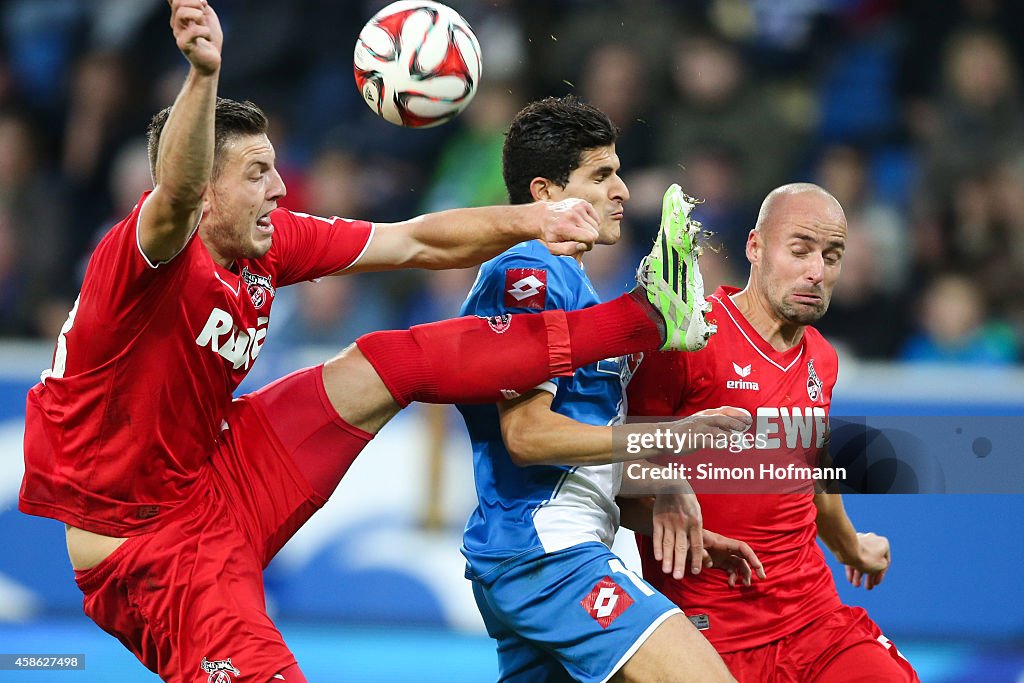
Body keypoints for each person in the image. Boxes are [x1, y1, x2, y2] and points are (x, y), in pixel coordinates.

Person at [17, 4, 723, 683]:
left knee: (384, 361)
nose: (279, 187)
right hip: (146, 548)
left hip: (218, 471)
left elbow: (412, 239)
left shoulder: (267, 243)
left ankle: (646, 314)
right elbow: (171, 194)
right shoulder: (144, 262)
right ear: (206, 190)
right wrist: (203, 75)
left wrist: (531, 218)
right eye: (257, 174)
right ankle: (644, 316)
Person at [457, 96, 764, 683]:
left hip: (544, 552)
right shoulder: (527, 276)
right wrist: (665, 439)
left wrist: (656, 508)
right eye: (601, 175)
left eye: (618, 171)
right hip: (548, 556)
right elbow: (526, 436)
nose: (621, 190)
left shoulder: (571, 284)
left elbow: (572, 462)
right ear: (545, 194)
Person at [627, 183, 921, 682]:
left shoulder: (821, 358)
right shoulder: (689, 340)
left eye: (832, 256)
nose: (817, 271)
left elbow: (812, 477)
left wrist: (852, 546)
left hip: (814, 619)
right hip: (708, 636)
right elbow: (618, 478)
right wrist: (658, 501)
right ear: (755, 247)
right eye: (800, 250)